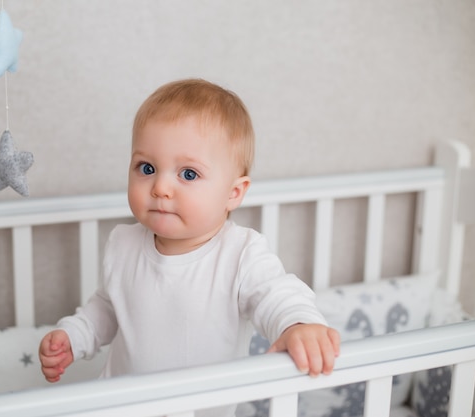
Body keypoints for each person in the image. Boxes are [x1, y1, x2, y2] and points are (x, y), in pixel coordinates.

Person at [39, 79, 340, 412]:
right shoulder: (123, 244)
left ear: (233, 193)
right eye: (147, 168)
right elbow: (109, 308)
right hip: (123, 407)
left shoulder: (240, 254)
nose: (161, 187)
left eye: (189, 174)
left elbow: (277, 294)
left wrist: (298, 324)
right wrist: (75, 336)